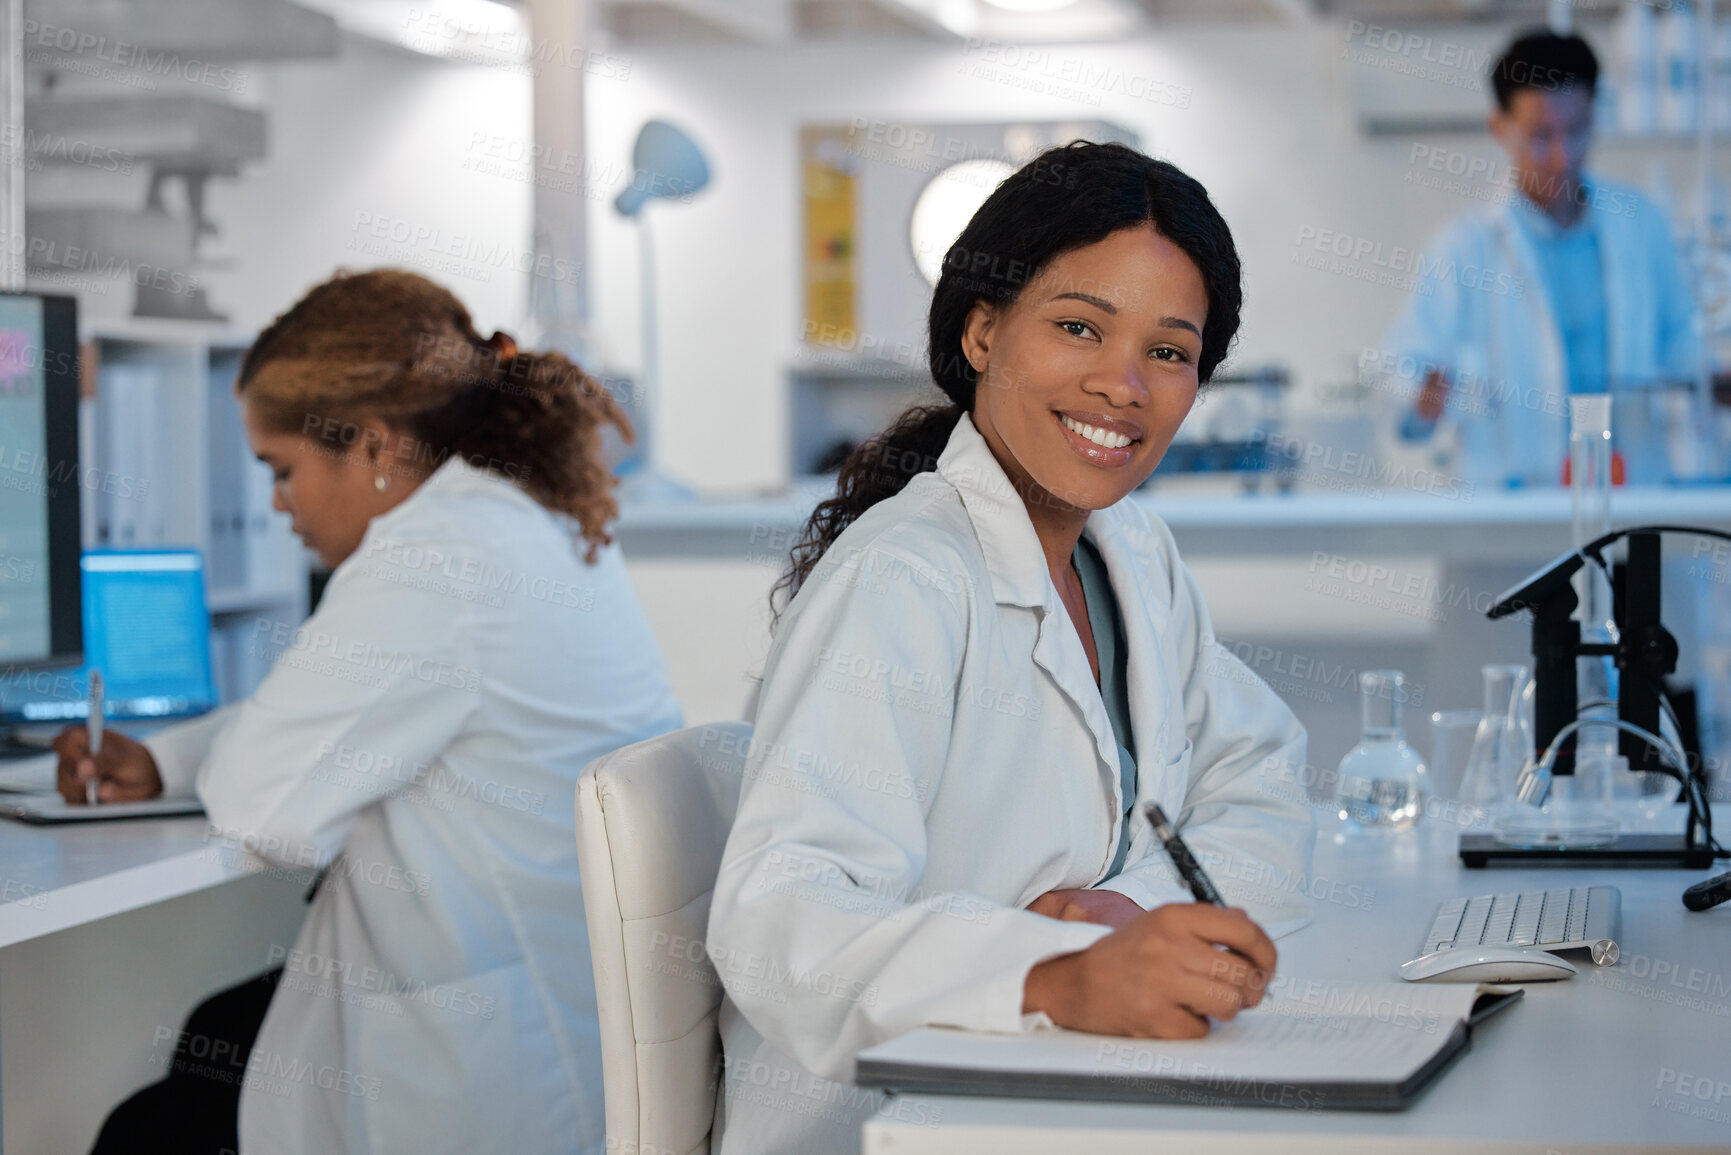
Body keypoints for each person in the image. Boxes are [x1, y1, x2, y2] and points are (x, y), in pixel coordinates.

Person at [704, 142, 1315, 1154]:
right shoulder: (904, 578)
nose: (1125, 385)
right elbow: (782, 925)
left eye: (1169, 351)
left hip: (1064, 1098)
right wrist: (1054, 976)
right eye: (1079, 327)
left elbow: (1258, 776)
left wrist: (1132, 911)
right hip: (881, 1126)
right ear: (982, 334)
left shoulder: (1134, 554)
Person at [52, 269, 683, 1155]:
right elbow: (344, 724)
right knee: (209, 1028)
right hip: (570, 1009)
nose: (276, 505)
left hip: (491, 1058)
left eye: (283, 470)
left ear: (377, 446)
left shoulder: (434, 557)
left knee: (146, 1127)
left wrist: (206, 761)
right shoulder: (518, 515)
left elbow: (263, 803)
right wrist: (166, 760)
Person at [1382, 30, 1702, 488]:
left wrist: (1709, 374)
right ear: (1500, 128)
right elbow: (1401, 378)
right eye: (1540, 136)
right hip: (1510, 515)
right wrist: (1423, 398)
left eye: (1577, 131)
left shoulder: (1641, 224)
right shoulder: (1463, 247)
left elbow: (1681, 344)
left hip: (1630, 497)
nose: (1562, 157)